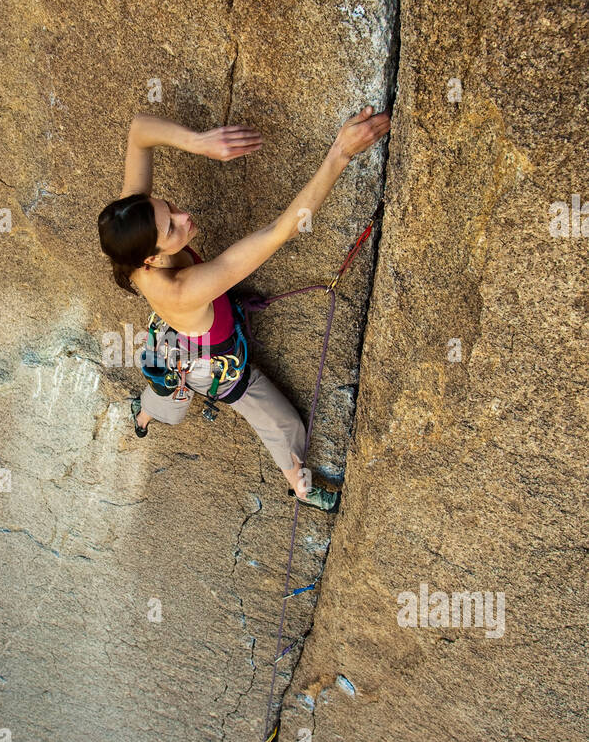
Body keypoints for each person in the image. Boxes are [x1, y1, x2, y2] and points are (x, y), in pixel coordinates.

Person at [97, 107, 390, 507]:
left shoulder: (131, 229)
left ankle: (144, 414)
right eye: (172, 228)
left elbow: (138, 130)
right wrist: (341, 151)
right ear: (149, 259)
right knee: (283, 424)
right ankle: (301, 487)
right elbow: (280, 230)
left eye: (168, 206)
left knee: (166, 381)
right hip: (211, 362)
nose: (185, 217)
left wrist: (199, 142)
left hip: (170, 341)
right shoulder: (183, 290)